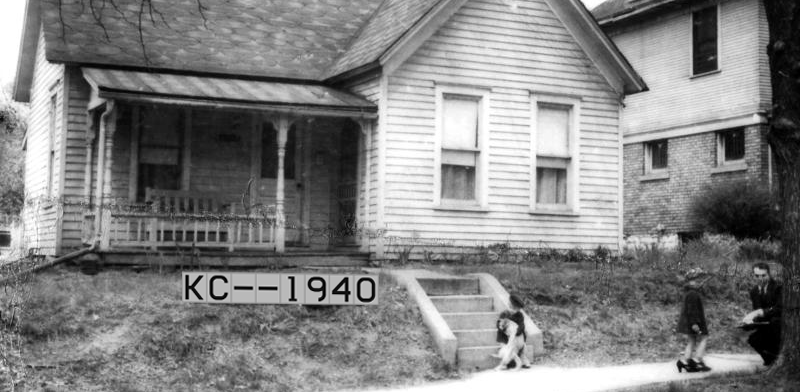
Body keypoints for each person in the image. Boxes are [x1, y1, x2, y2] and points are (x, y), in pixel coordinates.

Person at [741, 262, 782, 366]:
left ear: (769, 274)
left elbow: (779, 309)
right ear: (753, 275)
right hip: (765, 326)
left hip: (778, 325)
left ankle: (776, 362)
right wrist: (749, 324)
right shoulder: (754, 291)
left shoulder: (778, 287)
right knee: (753, 340)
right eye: (757, 276)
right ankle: (771, 362)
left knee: (772, 332)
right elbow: (757, 312)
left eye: (763, 275)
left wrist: (761, 312)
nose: (760, 278)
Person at [676, 268, 711, 373]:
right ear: (691, 281)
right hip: (693, 321)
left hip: (689, 321)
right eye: (697, 279)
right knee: (704, 337)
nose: (699, 282)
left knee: (692, 341)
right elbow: (692, 310)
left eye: (699, 279)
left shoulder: (689, 292)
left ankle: (685, 362)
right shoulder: (693, 294)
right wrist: (695, 323)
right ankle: (698, 360)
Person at [495, 294, 531, 369]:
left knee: (523, 346)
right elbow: (499, 324)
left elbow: (521, 326)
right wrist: (502, 327)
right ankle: (505, 363)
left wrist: (516, 332)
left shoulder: (520, 315)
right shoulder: (504, 314)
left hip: (516, 337)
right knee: (507, 350)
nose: (513, 311)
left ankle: (523, 357)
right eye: (512, 308)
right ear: (509, 305)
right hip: (505, 337)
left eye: (516, 309)